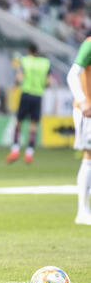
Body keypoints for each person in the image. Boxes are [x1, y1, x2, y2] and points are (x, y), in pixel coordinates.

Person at [6, 43, 51, 164]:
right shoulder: (45, 63)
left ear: (28, 51)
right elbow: (48, 82)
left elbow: (19, 78)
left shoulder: (24, 61)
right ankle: (29, 153)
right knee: (33, 125)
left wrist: (15, 85)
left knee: (19, 122)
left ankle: (15, 150)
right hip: (38, 95)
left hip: (26, 94)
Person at [66, 36, 91, 225]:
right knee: (89, 156)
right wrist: (82, 100)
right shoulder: (89, 44)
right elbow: (72, 74)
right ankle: (82, 211)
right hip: (88, 111)